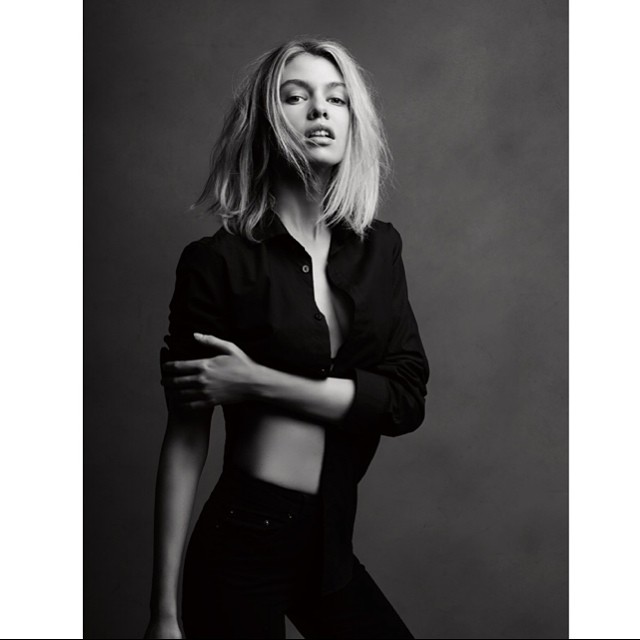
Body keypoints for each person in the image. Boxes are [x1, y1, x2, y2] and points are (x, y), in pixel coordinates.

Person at [143, 37, 430, 639]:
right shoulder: (216, 263)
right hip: (241, 541)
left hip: (329, 543)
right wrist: (163, 613)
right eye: (296, 97)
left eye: (337, 99)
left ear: (353, 121)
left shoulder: (381, 249)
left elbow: (404, 403)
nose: (319, 109)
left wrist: (257, 383)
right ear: (265, 123)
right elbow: (186, 437)